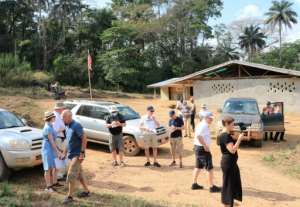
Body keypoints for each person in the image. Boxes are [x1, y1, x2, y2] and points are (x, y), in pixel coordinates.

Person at [62, 110, 90, 204]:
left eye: (63, 117)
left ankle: (70, 196)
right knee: (79, 174)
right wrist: (64, 152)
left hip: (77, 155)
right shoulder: (67, 126)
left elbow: (84, 138)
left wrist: (82, 152)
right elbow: (68, 141)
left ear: (69, 117)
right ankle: (86, 191)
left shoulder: (76, 125)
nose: (62, 119)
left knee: (71, 174)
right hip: (71, 154)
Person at [218, 116, 246, 207]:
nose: (234, 125)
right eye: (232, 124)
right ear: (226, 124)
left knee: (232, 182)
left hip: (231, 163)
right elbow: (232, 150)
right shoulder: (225, 136)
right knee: (228, 184)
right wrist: (239, 139)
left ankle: (229, 202)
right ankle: (227, 203)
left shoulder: (225, 134)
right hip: (228, 163)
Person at [191, 111, 221, 193]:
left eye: (212, 119)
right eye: (210, 118)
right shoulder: (203, 125)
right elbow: (199, 136)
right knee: (209, 168)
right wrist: (205, 145)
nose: (212, 120)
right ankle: (212, 187)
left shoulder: (202, 124)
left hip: (198, 148)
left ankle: (194, 184)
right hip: (202, 149)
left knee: (198, 166)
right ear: (206, 118)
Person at [42, 111, 63, 192]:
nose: (55, 118)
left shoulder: (51, 126)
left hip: (51, 147)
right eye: (53, 117)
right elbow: (51, 141)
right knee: (48, 168)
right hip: (47, 148)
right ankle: (48, 187)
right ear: (50, 118)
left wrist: (58, 149)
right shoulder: (47, 128)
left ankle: (54, 183)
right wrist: (58, 151)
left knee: (53, 166)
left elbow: (53, 140)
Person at [53, 102, 67, 180]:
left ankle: (61, 173)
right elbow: (55, 130)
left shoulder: (58, 115)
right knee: (59, 156)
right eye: (63, 108)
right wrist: (64, 128)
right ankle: (59, 175)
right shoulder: (55, 116)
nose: (63, 109)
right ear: (59, 109)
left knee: (62, 155)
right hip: (58, 138)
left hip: (61, 138)